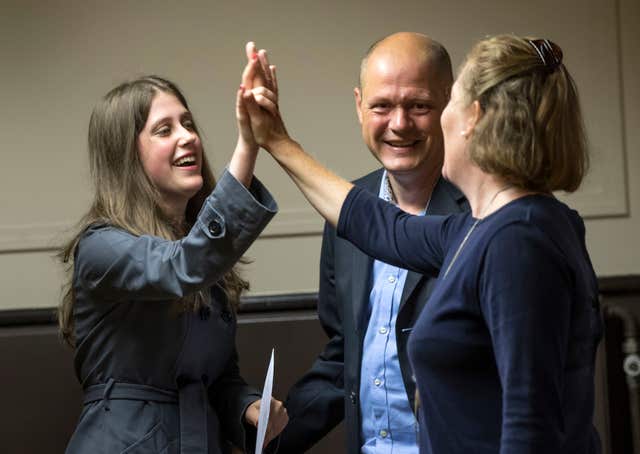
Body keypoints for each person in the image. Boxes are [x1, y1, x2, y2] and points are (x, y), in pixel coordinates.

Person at [240, 35, 603, 453]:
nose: (406, 122)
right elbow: (377, 225)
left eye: (440, 105)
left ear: (472, 118)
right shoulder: (480, 230)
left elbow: (529, 428)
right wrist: (275, 139)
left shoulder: (519, 241)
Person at [58, 50, 288, 454]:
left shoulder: (206, 257)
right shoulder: (100, 246)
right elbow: (184, 266)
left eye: (188, 123)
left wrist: (248, 406)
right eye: (164, 130)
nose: (188, 137)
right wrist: (249, 145)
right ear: (127, 157)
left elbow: (217, 380)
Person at [275, 32, 467, 453]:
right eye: (382, 106)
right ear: (359, 105)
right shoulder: (344, 211)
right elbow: (346, 355)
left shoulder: (481, 213)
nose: (399, 124)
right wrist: (267, 440)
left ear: (450, 105)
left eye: (418, 105)